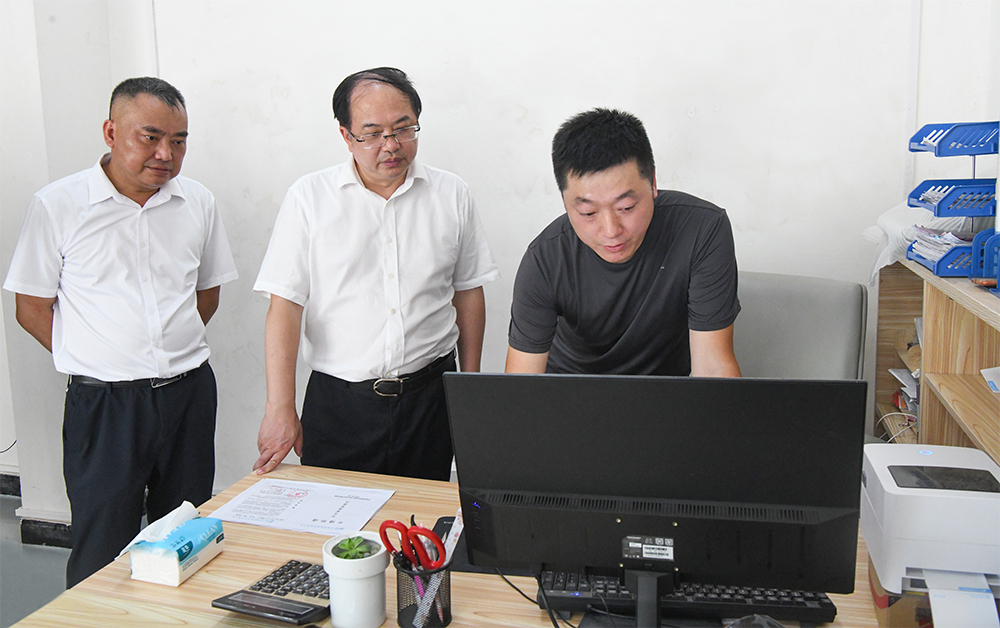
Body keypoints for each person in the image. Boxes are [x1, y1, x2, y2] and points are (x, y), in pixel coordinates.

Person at [3, 77, 238, 587]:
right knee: (102, 545)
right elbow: (30, 307)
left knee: (186, 538)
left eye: (179, 141)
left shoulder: (197, 202)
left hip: (188, 396)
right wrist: (97, 354)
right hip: (104, 406)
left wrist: (164, 352)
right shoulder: (58, 205)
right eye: (150, 137)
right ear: (111, 132)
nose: (166, 154)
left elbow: (207, 293)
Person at [253, 67, 498, 481]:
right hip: (340, 405)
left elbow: (468, 292)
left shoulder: (451, 193)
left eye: (404, 129)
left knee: (423, 516)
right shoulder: (309, 199)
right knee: (334, 517)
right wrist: (280, 407)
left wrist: (467, 389)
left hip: (430, 400)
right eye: (372, 133)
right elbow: (285, 306)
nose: (392, 145)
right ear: (346, 135)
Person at [506, 108, 741, 377]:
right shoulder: (545, 259)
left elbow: (713, 367)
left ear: (653, 183)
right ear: (565, 202)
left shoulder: (701, 230)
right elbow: (521, 385)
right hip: (570, 390)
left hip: (667, 392)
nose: (611, 231)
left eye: (626, 207)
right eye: (588, 213)